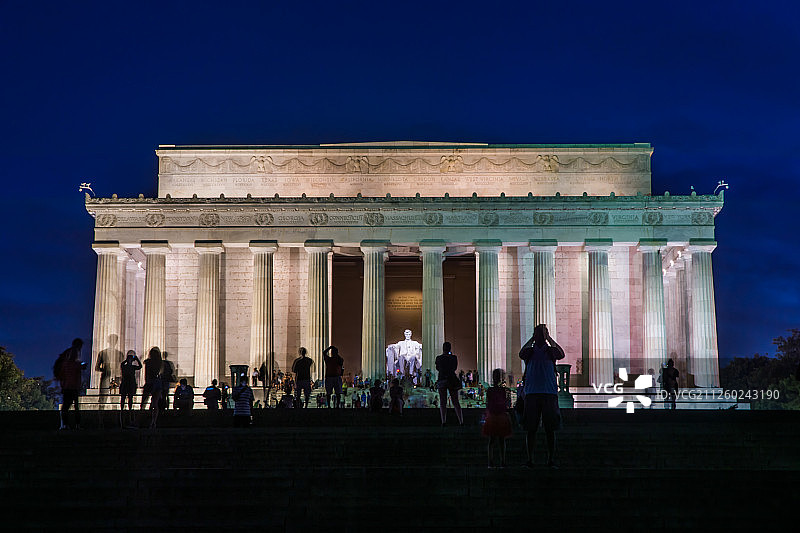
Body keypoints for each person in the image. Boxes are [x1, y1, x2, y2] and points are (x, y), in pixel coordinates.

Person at [519, 324, 565, 468]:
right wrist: (533, 339)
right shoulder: (530, 352)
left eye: (542, 333)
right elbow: (521, 353)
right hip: (534, 393)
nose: (540, 336)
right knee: (531, 429)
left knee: (549, 429)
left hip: (547, 393)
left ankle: (550, 459)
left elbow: (561, 354)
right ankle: (530, 459)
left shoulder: (550, 352)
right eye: (539, 333)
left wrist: (549, 338)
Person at [483, 369, 513, 468]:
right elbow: (506, 404)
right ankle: (502, 461)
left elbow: (488, 403)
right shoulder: (504, 390)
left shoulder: (490, 390)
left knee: (491, 440)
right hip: (501, 416)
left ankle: (490, 462)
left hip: (492, 416)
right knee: (501, 440)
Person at [54, 338, 84, 430]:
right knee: (74, 406)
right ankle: (74, 425)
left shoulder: (66, 363)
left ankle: (66, 425)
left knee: (67, 407)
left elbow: (61, 374)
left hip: (68, 386)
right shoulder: (75, 364)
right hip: (72, 387)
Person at [435, 341, 463, 426]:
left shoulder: (439, 358)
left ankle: (443, 421)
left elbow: (438, 368)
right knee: (455, 402)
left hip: (442, 379)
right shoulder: (453, 358)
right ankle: (461, 421)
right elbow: (454, 368)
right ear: (450, 348)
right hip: (452, 379)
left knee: (443, 402)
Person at [141, 347, 164, 429]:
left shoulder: (148, 362)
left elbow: (147, 374)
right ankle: (153, 422)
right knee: (155, 404)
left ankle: (141, 420)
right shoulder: (160, 362)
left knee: (143, 402)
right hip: (157, 382)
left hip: (150, 382)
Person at [119, 349, 142, 426]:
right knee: (123, 397)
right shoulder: (124, 366)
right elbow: (122, 364)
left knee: (130, 397)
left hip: (130, 383)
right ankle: (122, 408)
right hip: (125, 383)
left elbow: (140, 366)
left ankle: (130, 408)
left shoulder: (132, 367)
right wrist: (127, 360)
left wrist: (136, 359)